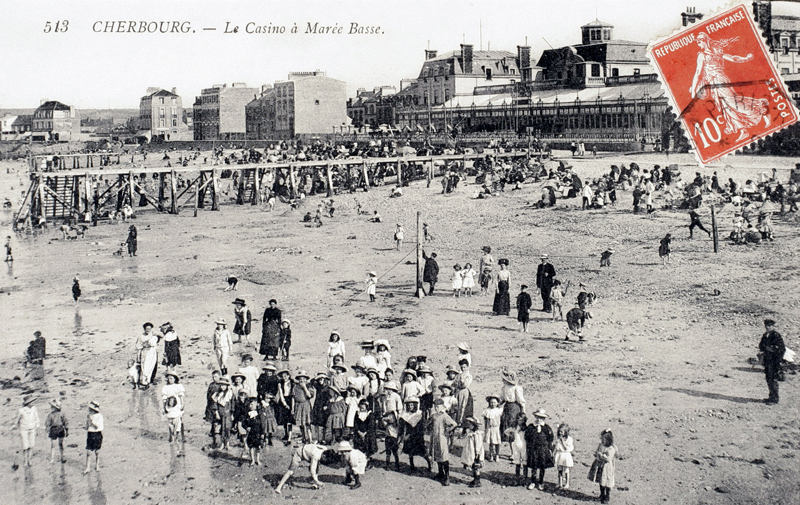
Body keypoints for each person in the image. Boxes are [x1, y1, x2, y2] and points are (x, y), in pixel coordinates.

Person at [690, 32, 769, 142]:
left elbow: (698, 73)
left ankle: (761, 110)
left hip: (719, 80)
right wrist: (746, 58)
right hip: (714, 83)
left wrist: (693, 90)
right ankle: (743, 130)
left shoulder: (706, 54)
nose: (698, 45)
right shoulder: (711, 53)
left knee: (732, 103)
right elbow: (732, 58)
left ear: (704, 41)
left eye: (699, 42)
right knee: (725, 106)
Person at [429, 398, 459, 486]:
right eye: (435, 406)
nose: (436, 408)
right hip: (434, 438)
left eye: (438, 406)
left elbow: (454, 424)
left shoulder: (445, 416)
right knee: (437, 455)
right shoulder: (434, 415)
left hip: (442, 438)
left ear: (442, 406)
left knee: (444, 457)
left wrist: (448, 430)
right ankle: (440, 473)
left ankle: (447, 477)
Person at [525, 408, 554, 491]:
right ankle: (533, 481)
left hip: (543, 450)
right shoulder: (531, 427)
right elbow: (527, 437)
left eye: (541, 418)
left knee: (542, 466)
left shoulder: (546, 428)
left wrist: (550, 449)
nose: (538, 419)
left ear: (544, 419)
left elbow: (550, 438)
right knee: (534, 466)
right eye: (537, 417)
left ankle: (541, 482)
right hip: (534, 449)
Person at [759, 319, 786, 405]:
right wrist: (765, 348)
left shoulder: (776, 335)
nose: (767, 327)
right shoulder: (765, 335)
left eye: (769, 326)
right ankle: (771, 397)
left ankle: (775, 399)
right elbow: (761, 345)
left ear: (773, 326)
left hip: (774, 361)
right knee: (768, 379)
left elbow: (782, 349)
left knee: (773, 379)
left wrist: (773, 351)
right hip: (767, 360)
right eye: (766, 326)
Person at [398, 396, 429, 472]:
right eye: (408, 405)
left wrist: (411, 434)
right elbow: (402, 426)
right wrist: (402, 435)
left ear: (415, 405)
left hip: (417, 436)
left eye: (412, 405)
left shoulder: (418, 415)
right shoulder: (405, 415)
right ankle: (412, 466)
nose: (410, 407)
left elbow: (420, 428)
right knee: (410, 452)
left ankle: (429, 463)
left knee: (422, 452)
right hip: (408, 436)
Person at [500, 370, 526, 454]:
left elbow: (521, 401)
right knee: (508, 430)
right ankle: (512, 452)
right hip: (507, 408)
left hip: (515, 408)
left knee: (514, 430)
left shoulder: (516, 388)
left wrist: (523, 412)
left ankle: (515, 452)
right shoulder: (504, 388)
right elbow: (502, 399)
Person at [589, 429, 617, 504]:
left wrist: (602, 455)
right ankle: (602, 494)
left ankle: (607, 496)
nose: (602, 441)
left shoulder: (611, 449)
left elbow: (608, 459)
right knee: (601, 480)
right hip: (600, 465)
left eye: (604, 440)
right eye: (602, 439)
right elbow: (597, 452)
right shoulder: (600, 445)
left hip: (607, 467)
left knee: (607, 481)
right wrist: (597, 454)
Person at [461, 417, 485, 488]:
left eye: (471, 425)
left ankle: (477, 481)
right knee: (473, 466)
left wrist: (477, 454)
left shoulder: (477, 435)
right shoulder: (471, 433)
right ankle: (475, 479)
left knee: (476, 467)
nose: (469, 427)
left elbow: (478, 445)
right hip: (471, 452)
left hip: (476, 453)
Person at [291, 370, 315, 443]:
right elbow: (293, 398)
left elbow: (309, 395)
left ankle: (310, 439)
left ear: (306, 379)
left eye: (303, 378)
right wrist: (292, 407)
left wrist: (304, 387)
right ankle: (304, 437)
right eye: (300, 378)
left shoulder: (309, 386)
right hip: (298, 406)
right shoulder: (295, 387)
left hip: (306, 405)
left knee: (307, 423)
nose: (302, 380)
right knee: (300, 423)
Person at [16, 395, 39, 467]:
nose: (33, 403)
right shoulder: (21, 410)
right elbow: (17, 419)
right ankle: (25, 460)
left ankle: (30, 460)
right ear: (28, 403)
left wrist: (37, 425)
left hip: (32, 428)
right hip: (24, 429)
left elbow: (36, 417)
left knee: (31, 445)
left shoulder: (34, 409)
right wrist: (14, 425)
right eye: (32, 402)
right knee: (25, 446)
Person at [135, 322, 159, 388]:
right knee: (144, 367)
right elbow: (138, 347)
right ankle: (144, 382)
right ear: (144, 329)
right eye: (146, 328)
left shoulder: (153, 335)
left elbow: (161, 336)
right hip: (145, 352)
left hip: (152, 352)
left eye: (149, 328)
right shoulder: (141, 336)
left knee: (152, 366)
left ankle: (150, 380)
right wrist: (138, 357)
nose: (148, 330)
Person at [45, 398, 68, 463]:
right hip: (53, 430)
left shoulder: (61, 414)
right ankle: (52, 458)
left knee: (60, 444)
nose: (51, 408)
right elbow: (47, 423)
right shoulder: (50, 415)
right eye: (51, 406)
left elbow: (65, 422)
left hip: (60, 429)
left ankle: (62, 456)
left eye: (53, 407)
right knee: (53, 445)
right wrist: (47, 429)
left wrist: (67, 429)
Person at [84, 401, 103, 474]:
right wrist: (86, 427)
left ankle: (97, 465)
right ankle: (88, 467)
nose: (89, 410)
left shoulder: (99, 416)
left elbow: (98, 425)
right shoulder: (88, 416)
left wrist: (92, 420)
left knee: (97, 452)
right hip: (90, 434)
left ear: (94, 410)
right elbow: (88, 425)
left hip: (97, 434)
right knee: (88, 452)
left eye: (90, 409)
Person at [243, 398, 264, 465]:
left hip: (258, 432)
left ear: (256, 405)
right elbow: (244, 423)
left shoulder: (259, 414)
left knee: (258, 447)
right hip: (251, 432)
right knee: (251, 447)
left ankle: (257, 459)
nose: (251, 406)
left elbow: (262, 424)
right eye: (250, 404)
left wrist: (262, 433)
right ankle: (252, 460)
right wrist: (246, 427)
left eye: (252, 404)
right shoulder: (247, 414)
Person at [554, 423, 574, 489]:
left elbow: (566, 448)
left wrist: (562, 442)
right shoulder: (558, 438)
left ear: (566, 432)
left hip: (565, 455)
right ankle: (560, 483)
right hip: (559, 454)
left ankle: (567, 483)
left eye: (562, 432)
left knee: (566, 470)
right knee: (559, 469)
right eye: (559, 431)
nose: (560, 433)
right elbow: (556, 446)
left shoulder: (569, 439)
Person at [483, 395, 503, 462]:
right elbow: (486, 421)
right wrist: (486, 429)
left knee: (497, 443)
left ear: (497, 403)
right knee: (491, 443)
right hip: (490, 428)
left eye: (494, 402)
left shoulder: (499, 411)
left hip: (497, 428)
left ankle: (497, 455)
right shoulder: (487, 411)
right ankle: (491, 455)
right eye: (491, 402)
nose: (493, 404)